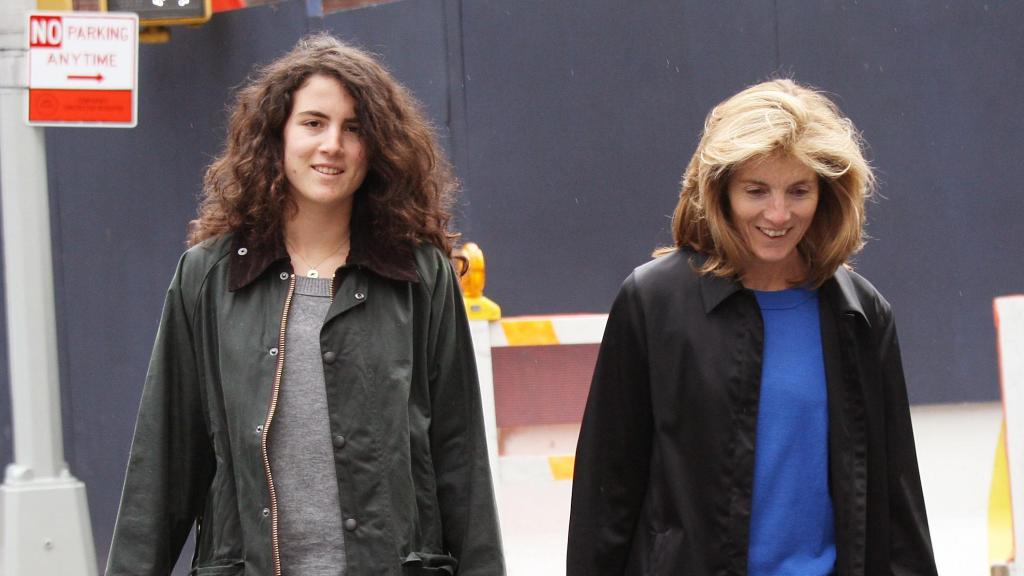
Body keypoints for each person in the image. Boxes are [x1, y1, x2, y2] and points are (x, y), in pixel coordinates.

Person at [106, 34, 504, 576]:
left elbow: (461, 461)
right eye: (313, 123)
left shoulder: (418, 275)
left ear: (380, 147)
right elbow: (163, 464)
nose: (332, 145)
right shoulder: (210, 276)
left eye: (355, 128)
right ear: (278, 137)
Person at [566, 79, 937, 575]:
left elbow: (897, 504)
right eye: (756, 190)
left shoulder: (860, 313)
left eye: (799, 190)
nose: (778, 214)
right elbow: (605, 495)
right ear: (719, 191)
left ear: (826, 194)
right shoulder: (654, 303)